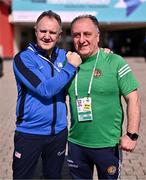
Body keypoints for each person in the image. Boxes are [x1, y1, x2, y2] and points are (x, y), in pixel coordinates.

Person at [67, 15, 141, 179]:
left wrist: (132, 134)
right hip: (76, 144)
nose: (82, 39)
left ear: (98, 36)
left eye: (87, 34)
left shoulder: (115, 61)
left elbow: (133, 98)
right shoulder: (69, 64)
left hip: (108, 145)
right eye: (76, 35)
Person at [12, 10, 82, 179]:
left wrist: (103, 54)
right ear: (36, 31)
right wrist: (70, 67)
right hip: (29, 133)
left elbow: (87, 60)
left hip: (58, 133)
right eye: (43, 31)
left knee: (53, 176)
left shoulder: (64, 57)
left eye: (52, 32)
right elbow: (45, 89)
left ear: (59, 35)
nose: (47, 36)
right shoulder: (23, 58)